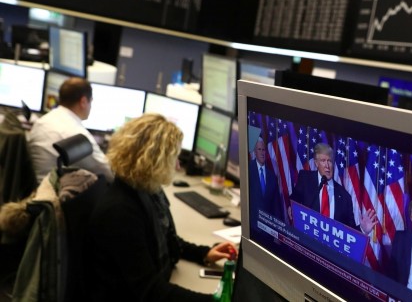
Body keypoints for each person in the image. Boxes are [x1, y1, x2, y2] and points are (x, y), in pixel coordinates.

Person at [84, 113, 237, 301]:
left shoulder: (146, 188)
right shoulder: (120, 212)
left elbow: (166, 239)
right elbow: (150, 292)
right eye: (175, 158)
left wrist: (204, 253)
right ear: (155, 161)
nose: (179, 166)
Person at [28, 77, 113, 182]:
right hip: (56, 193)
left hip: (39, 188)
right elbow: (108, 173)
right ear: (83, 101)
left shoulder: (41, 121)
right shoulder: (77, 136)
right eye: (90, 102)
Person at [290, 143, 376, 233]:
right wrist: (290, 207)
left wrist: (362, 229)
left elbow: (349, 233)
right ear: (316, 163)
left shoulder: (345, 197)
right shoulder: (305, 179)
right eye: (323, 161)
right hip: (305, 242)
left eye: (329, 161)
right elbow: (294, 198)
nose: (327, 165)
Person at [248, 137, 283, 220]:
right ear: (255, 152)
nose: (262, 152)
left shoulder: (272, 176)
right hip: (251, 224)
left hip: (266, 227)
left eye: (263, 150)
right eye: (259, 149)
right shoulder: (248, 169)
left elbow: (276, 206)